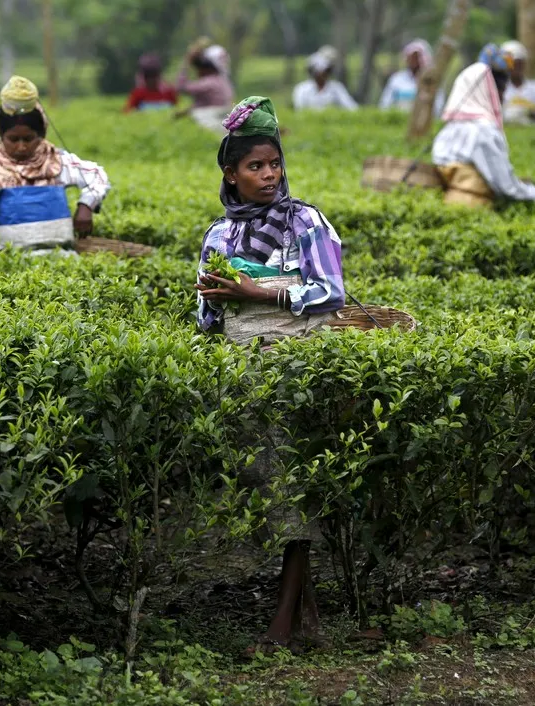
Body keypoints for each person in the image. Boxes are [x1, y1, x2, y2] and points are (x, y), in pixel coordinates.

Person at [194, 97, 346, 655]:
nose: (268, 176)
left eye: (274, 165)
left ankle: (283, 622)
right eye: (255, 167)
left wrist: (260, 291)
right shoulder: (220, 235)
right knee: (265, 484)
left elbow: (331, 290)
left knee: (294, 487)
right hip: (242, 369)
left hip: (297, 365)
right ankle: (307, 617)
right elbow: (208, 314)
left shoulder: (306, 221)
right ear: (230, 173)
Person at [0, 76, 111, 256]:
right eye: (13, 139)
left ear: (41, 135)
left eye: (28, 139)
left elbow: (97, 175)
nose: (21, 147)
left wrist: (86, 206)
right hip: (15, 266)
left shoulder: (58, 163)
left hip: (65, 259)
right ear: (1, 136)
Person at [432, 45, 535, 208]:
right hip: (474, 211)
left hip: (445, 209)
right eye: (501, 91)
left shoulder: (446, 132)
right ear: (490, 92)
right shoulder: (484, 132)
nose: (503, 98)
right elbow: (507, 188)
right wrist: (534, 192)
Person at [175, 39, 235, 132]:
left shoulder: (209, 83)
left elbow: (181, 87)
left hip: (214, 127)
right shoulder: (223, 82)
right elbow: (203, 104)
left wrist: (187, 61)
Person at [379, 39, 445, 114]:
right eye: (412, 58)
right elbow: (385, 104)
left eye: (417, 58)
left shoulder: (432, 81)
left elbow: (438, 107)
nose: (414, 61)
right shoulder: (397, 79)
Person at [501, 40, 535, 125]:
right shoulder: (500, 90)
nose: (516, 68)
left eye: (519, 63)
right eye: (513, 64)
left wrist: (528, 113)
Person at [292, 46, 358, 112]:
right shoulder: (302, 89)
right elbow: (299, 111)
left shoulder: (336, 88)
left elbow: (351, 107)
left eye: (326, 71)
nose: (323, 74)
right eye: (321, 71)